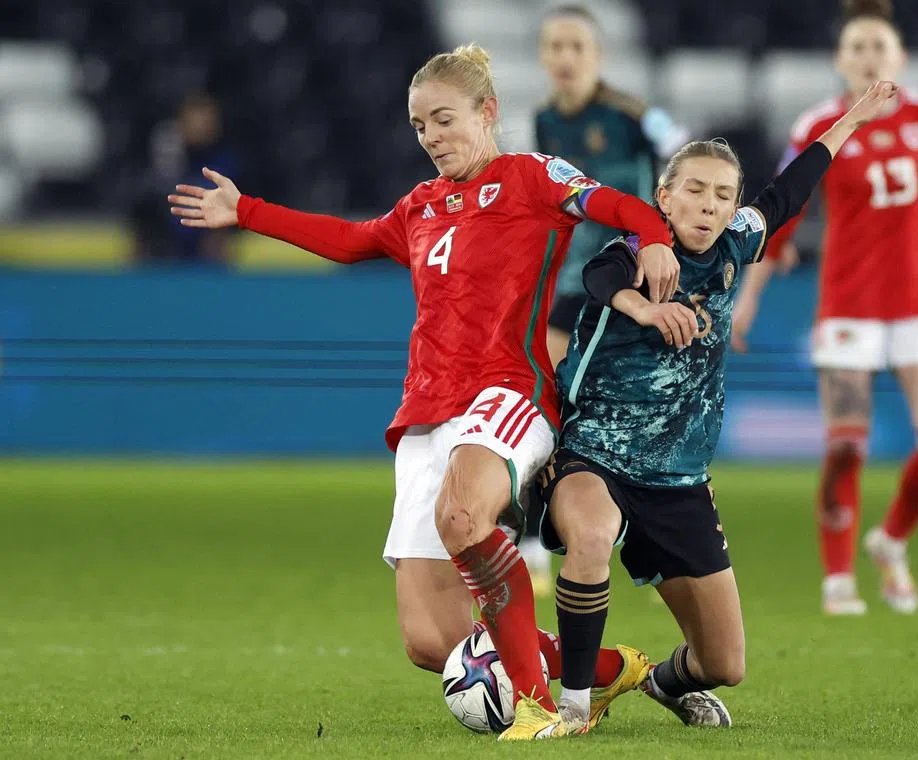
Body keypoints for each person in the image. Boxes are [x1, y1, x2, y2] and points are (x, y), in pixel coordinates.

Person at [168, 45, 680, 741]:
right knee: (432, 642)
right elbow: (352, 240)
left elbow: (612, 203)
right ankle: (612, 667)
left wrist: (651, 236)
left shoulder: (529, 178)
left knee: (466, 519)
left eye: (443, 120)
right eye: (419, 127)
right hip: (424, 414)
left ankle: (537, 707)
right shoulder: (422, 205)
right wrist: (249, 211)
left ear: (487, 112)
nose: (431, 137)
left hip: (508, 391)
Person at [537, 83, 901, 731]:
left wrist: (854, 118)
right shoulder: (638, 250)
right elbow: (603, 278)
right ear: (664, 197)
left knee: (724, 664)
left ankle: (656, 682)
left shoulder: (737, 244)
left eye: (722, 195)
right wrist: (647, 307)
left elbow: (791, 188)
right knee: (590, 537)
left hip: (679, 481)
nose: (709, 206)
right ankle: (570, 708)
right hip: (593, 457)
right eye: (696, 190)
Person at [732, 0, 918, 616]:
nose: (867, 57)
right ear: (839, 60)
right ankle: (838, 578)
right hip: (849, 308)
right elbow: (784, 212)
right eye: (855, 47)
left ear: (900, 57)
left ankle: (890, 540)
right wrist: (749, 296)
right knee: (847, 445)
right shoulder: (818, 126)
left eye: (878, 46)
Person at [522, 5, 688, 597]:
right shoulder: (544, 120)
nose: (565, 58)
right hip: (574, 283)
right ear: (543, 56)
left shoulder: (634, 116)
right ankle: (536, 538)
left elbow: (686, 162)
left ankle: (644, 526)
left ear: (598, 57)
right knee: (550, 395)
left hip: (637, 280)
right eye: (555, 46)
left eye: (576, 46)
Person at [132, 92, 241, 266]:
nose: (200, 127)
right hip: (161, 256)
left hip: (209, 260)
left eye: (206, 121)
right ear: (180, 123)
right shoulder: (162, 164)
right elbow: (142, 216)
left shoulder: (227, 166)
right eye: (194, 120)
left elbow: (237, 216)